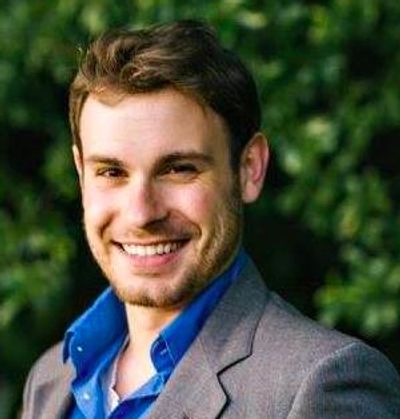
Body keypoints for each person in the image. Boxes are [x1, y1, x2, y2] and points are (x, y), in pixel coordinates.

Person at [21, 20, 400, 419]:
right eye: (112, 172)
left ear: (249, 169)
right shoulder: (52, 378)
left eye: (179, 169)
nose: (141, 213)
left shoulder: (322, 384)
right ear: (81, 174)